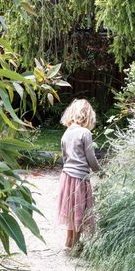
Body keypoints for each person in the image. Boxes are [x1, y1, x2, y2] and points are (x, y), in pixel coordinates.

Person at [57, 98, 100, 250]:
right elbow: (91, 158)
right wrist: (100, 172)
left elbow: (64, 156)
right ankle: (76, 243)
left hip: (66, 177)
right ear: (87, 115)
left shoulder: (66, 133)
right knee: (80, 209)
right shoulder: (85, 133)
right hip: (80, 178)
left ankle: (69, 241)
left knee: (70, 209)